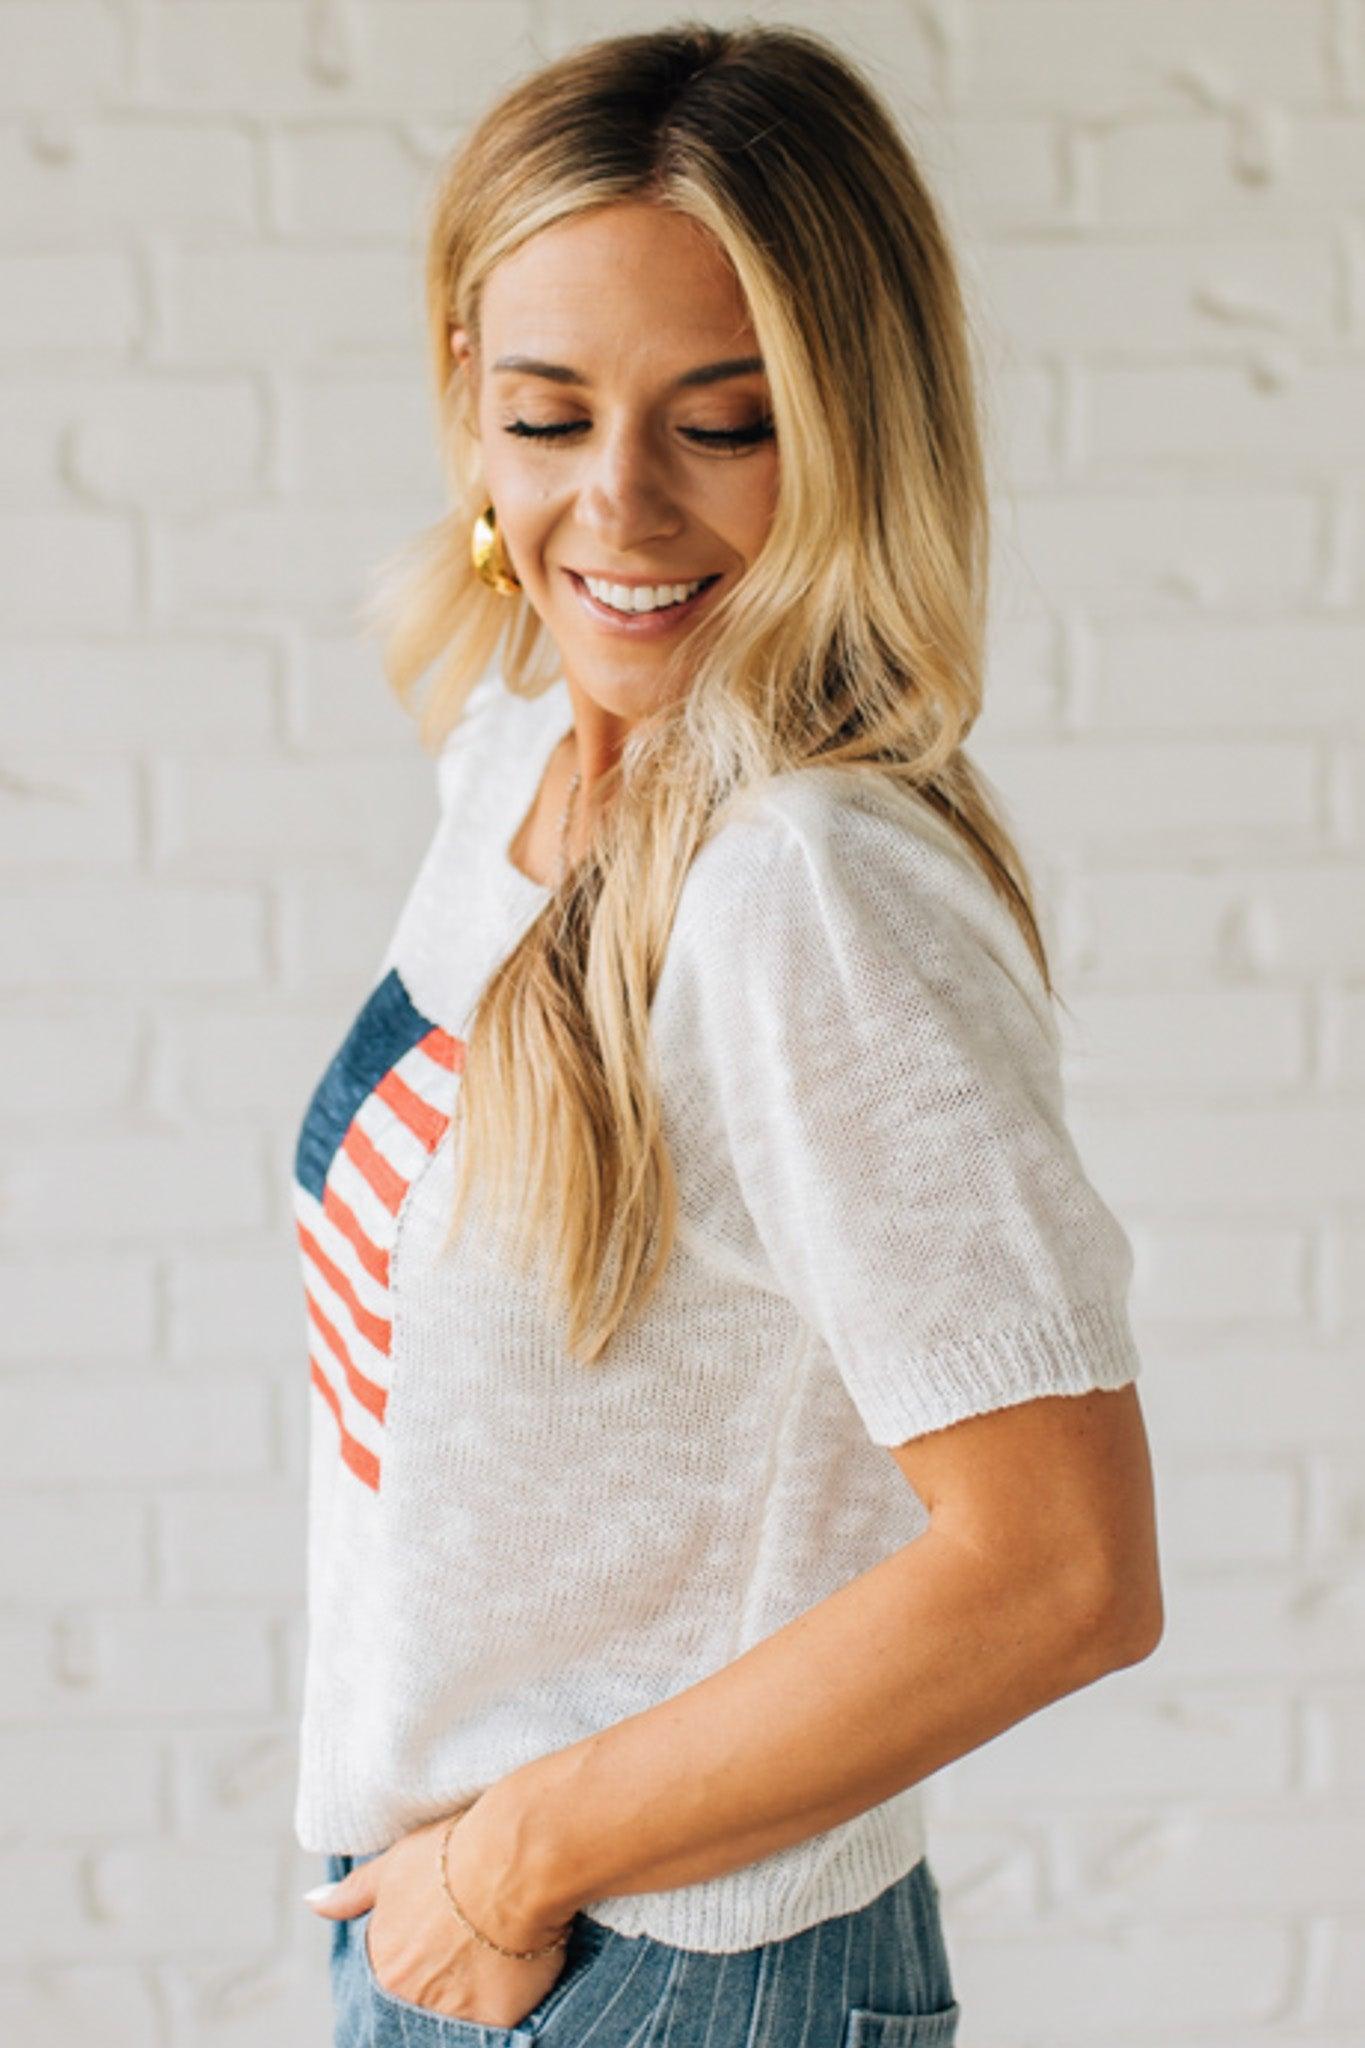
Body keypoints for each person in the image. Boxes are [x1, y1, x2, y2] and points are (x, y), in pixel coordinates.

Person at [291, 21, 1163, 2047]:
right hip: (475, 1938)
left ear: (854, 428)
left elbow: (1059, 1572)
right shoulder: (517, 761)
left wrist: (513, 1862)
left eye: (726, 421)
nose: (620, 506)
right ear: (461, 398)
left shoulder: (802, 885)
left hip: (660, 1967)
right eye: (545, 412)